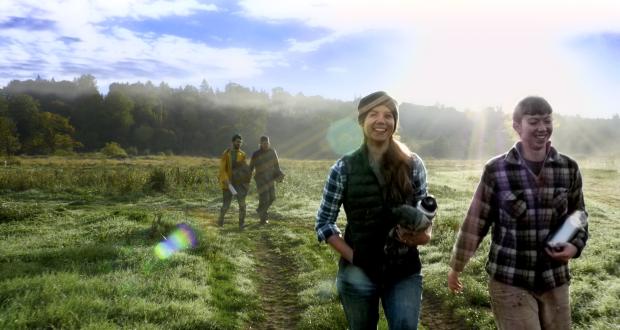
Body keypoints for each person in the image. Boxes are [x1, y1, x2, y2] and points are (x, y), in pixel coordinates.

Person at [447, 96, 588, 330]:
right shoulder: (497, 170)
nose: (542, 128)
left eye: (547, 120)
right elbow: (476, 221)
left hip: (555, 280)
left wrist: (576, 246)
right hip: (510, 280)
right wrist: (456, 266)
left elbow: (578, 216)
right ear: (517, 126)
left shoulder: (568, 167)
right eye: (533, 121)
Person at [315, 91, 432, 330]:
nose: (381, 120)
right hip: (357, 273)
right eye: (373, 114)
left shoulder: (413, 163)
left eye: (388, 115)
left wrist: (423, 235)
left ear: (395, 122)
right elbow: (324, 223)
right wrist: (355, 258)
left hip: (404, 271)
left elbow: (425, 214)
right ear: (361, 121)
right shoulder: (343, 168)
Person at [249, 135, 284, 224]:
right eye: (264, 143)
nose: (265, 144)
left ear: (269, 143)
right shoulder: (256, 154)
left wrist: (280, 174)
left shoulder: (272, 152)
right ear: (260, 143)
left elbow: (277, 165)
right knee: (264, 198)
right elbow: (251, 167)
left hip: (270, 178)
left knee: (272, 197)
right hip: (260, 178)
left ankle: (260, 209)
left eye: (267, 143)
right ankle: (263, 219)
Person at [218, 133, 250, 229]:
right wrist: (226, 181)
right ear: (233, 142)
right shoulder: (226, 154)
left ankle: (241, 224)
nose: (239, 143)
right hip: (228, 184)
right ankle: (220, 221)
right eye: (237, 142)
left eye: (240, 142)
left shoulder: (243, 154)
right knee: (226, 206)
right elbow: (222, 169)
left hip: (239, 184)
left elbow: (245, 169)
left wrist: (246, 181)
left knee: (242, 205)